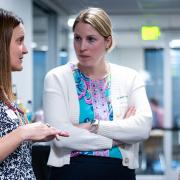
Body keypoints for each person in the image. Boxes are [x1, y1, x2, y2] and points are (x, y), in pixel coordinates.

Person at [43, 7, 152, 180]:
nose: (82, 47)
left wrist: (95, 126)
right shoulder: (57, 77)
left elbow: (142, 128)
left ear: (107, 41)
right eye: (77, 38)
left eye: (91, 39)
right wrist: (117, 138)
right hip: (70, 172)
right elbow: (60, 136)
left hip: (118, 172)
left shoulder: (130, 77)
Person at [0, 8, 69, 180]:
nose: (25, 50)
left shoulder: (4, 91)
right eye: (19, 41)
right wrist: (24, 132)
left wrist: (35, 136)